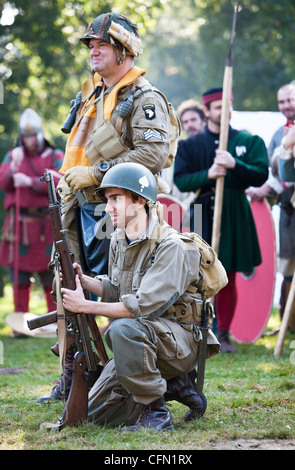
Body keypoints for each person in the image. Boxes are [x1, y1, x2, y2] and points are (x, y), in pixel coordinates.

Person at [38, 11, 176, 402]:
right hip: (77, 205)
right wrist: (68, 176)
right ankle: (73, 374)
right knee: (69, 284)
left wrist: (96, 173)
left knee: (110, 292)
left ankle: (121, 382)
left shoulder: (145, 97)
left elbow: (151, 154)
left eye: (101, 44)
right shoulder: (92, 92)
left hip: (118, 209)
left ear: (124, 50)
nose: (93, 51)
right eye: (91, 45)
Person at [60, 162, 220, 431]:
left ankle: (155, 412)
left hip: (181, 341)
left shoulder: (171, 247)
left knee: (122, 330)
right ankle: (175, 385)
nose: (108, 207)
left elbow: (141, 306)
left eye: (115, 199)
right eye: (108, 200)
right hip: (148, 336)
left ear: (141, 201)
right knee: (92, 414)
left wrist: (85, 306)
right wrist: (83, 281)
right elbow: (120, 291)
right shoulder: (120, 239)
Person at [174, 87, 268, 352]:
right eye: (217, 107)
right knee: (200, 274)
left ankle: (223, 333)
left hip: (235, 209)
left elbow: (261, 174)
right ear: (207, 111)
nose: (223, 110)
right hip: (204, 209)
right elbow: (181, 178)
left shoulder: (249, 141)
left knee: (230, 274)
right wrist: (209, 173)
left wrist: (235, 165)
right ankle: (198, 330)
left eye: (227, 105)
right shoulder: (190, 145)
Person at [0, 108, 64, 319]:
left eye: (32, 135)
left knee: (50, 274)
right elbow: (3, 182)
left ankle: (54, 321)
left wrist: (32, 182)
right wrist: (13, 169)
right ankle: (20, 321)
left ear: (40, 134)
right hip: (19, 224)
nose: (29, 140)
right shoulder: (13, 155)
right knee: (19, 276)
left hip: (46, 224)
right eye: (25, 136)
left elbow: (61, 181)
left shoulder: (54, 156)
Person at [247, 84, 295, 322]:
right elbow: (276, 172)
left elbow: (288, 178)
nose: (287, 105)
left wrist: (267, 188)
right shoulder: (279, 133)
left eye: (290, 100)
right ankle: (289, 324)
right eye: (282, 102)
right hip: (289, 211)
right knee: (287, 268)